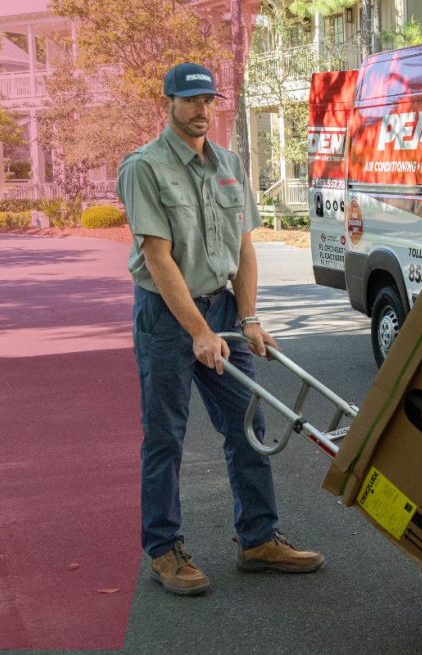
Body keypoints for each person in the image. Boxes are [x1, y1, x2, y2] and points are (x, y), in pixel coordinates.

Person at [117, 62, 324, 596]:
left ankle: (258, 540)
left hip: (223, 311)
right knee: (165, 436)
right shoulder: (145, 167)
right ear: (168, 103)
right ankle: (164, 551)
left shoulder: (228, 163)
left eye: (208, 100)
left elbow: (245, 247)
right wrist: (198, 332)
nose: (201, 110)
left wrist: (248, 318)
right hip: (166, 317)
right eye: (190, 101)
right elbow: (158, 259)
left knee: (246, 427)